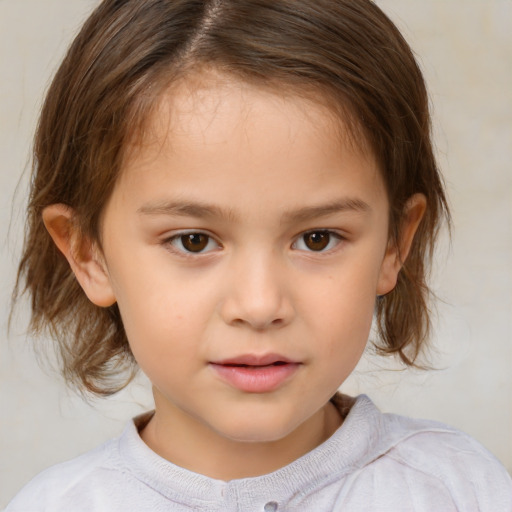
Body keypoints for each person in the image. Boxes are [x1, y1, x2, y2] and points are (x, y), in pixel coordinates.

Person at [6, 0, 512, 510]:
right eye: (193, 241)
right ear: (89, 253)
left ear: (393, 244)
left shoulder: (460, 491)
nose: (259, 304)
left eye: (318, 238)